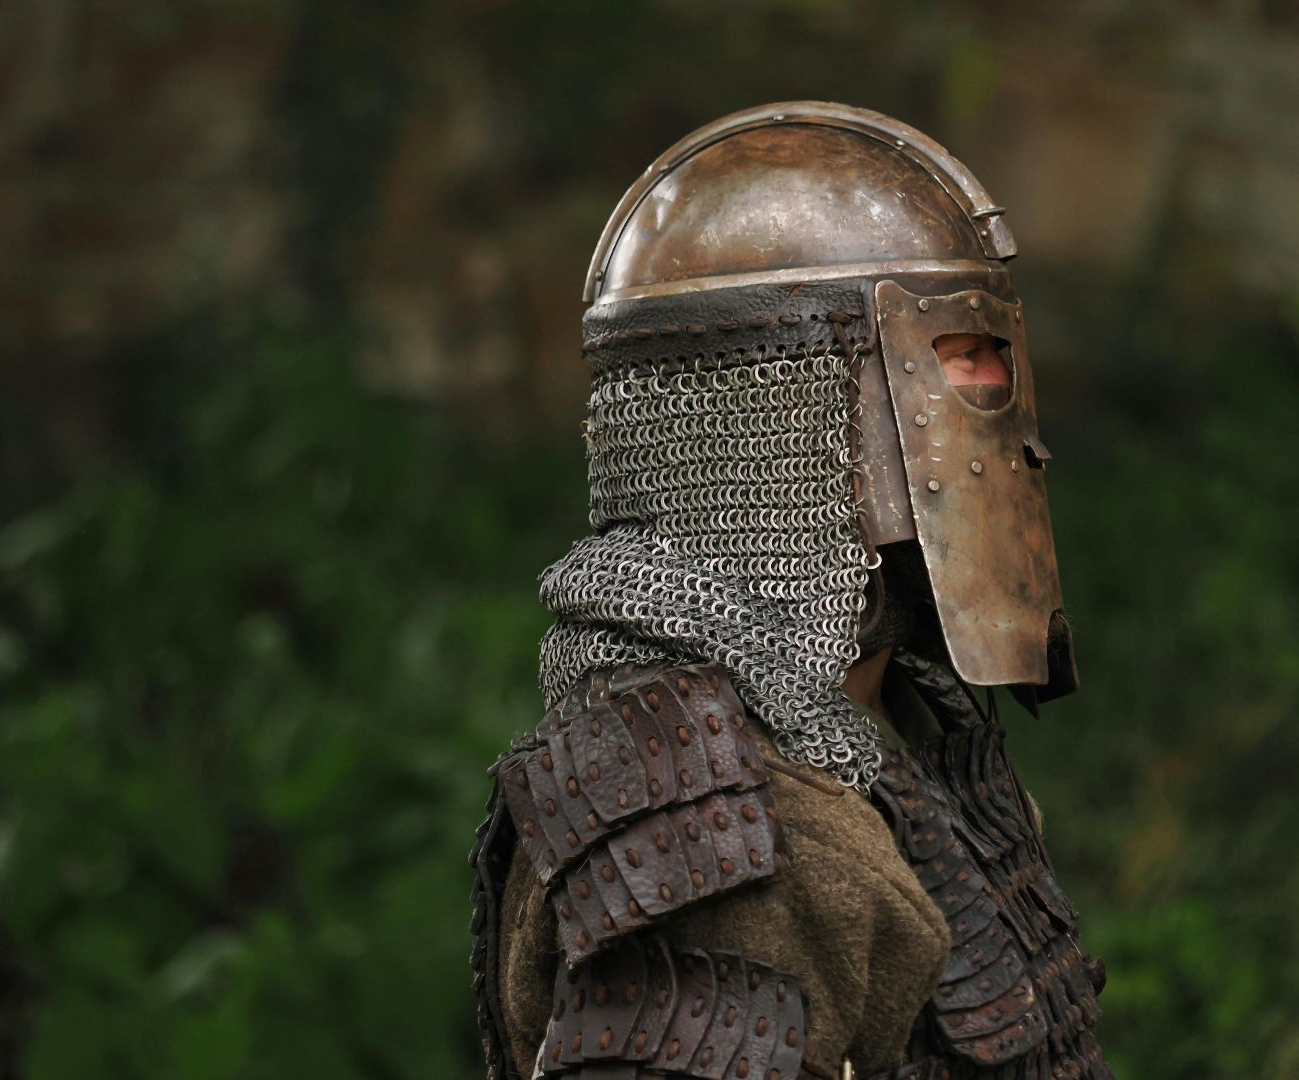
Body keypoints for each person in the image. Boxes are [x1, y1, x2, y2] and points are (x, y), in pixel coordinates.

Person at [469, 101, 1109, 1080]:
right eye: (958, 360)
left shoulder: (878, 732)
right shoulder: (698, 826)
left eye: (996, 358)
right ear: (793, 421)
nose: (1003, 402)